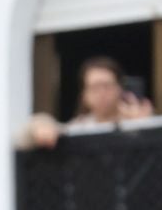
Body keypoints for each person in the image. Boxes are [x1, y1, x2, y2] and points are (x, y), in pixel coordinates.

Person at [22, 55, 154, 148]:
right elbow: (31, 134)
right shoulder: (80, 127)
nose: (102, 93)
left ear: (120, 89)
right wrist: (41, 125)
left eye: (107, 85)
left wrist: (143, 125)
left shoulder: (135, 120)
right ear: (84, 95)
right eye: (95, 87)